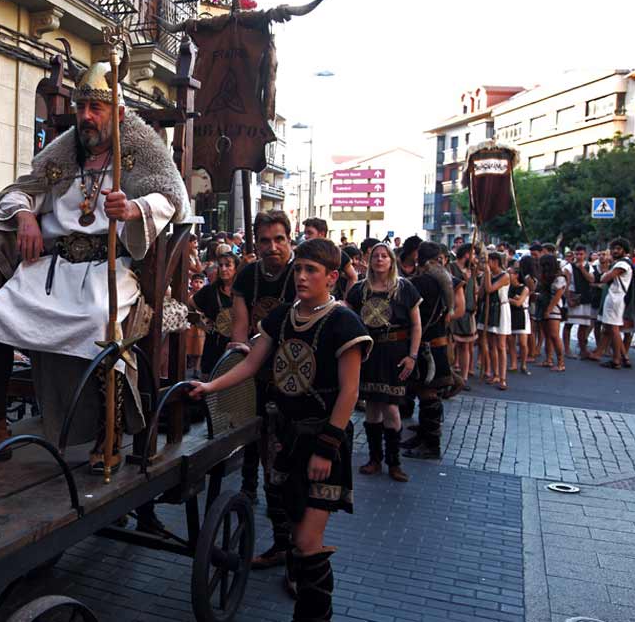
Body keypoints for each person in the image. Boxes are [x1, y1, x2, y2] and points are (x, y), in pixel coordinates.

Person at [0, 58, 190, 474]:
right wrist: (24, 215)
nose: (87, 118)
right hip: (53, 270)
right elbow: (20, 192)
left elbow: (171, 199)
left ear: (119, 113)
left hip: (107, 271)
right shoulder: (61, 153)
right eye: (81, 109)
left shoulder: (142, 153)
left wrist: (132, 208)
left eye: (96, 108)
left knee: (100, 322)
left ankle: (107, 437)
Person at [188, 238, 371, 620]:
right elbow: (252, 364)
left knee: (306, 540)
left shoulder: (344, 322)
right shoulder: (284, 316)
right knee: (294, 536)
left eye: (311, 271)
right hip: (286, 439)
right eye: (299, 269)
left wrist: (326, 447)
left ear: (332, 277)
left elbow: (350, 392)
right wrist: (210, 386)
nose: (301, 277)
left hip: (324, 443)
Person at [229, 210, 297, 567]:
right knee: (251, 437)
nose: (272, 247)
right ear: (256, 241)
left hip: (294, 380)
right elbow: (240, 327)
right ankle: (247, 487)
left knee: (283, 464)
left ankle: (288, 543)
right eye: (266, 240)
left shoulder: (302, 273)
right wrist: (241, 353)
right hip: (256, 370)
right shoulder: (248, 275)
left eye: (279, 239)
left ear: (290, 239)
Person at [346, 242, 420, 483]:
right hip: (369, 352)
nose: (379, 259)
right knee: (372, 406)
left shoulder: (404, 288)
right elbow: (345, 315)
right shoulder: (360, 289)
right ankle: (374, 458)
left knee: (391, 406)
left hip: (395, 353)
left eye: (384, 256)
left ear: (391, 260)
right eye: (376, 255)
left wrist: (412, 356)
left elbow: (416, 325)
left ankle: (394, 462)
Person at [403, 242, 454, 459]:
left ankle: (431, 444)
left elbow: (417, 315)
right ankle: (424, 435)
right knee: (424, 390)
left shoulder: (424, 282)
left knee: (428, 392)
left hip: (429, 345)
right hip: (434, 342)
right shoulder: (439, 280)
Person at [191, 252, 239, 376]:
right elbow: (190, 304)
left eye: (228, 265)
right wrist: (203, 322)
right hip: (214, 346)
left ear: (236, 268)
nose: (223, 269)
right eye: (221, 265)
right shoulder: (210, 290)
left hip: (237, 346)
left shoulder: (243, 290)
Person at [599, 238, 634, 369]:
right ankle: (624, 356)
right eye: (614, 248)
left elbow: (606, 278)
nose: (615, 251)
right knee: (612, 328)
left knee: (614, 329)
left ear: (624, 250)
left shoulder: (622, 264)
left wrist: (605, 272)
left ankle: (617, 359)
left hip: (616, 298)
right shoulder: (620, 263)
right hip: (615, 297)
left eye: (618, 249)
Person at [483, 252, 511, 389]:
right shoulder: (488, 275)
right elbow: (483, 291)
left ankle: (503, 377)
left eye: (489, 261)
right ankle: (495, 374)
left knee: (501, 345)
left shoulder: (505, 275)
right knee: (491, 344)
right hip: (490, 309)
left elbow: (490, 289)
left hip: (501, 310)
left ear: (495, 262)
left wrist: (487, 274)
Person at [567, 244, 599, 360]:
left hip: (585, 297)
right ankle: (566, 348)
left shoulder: (589, 267)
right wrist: (568, 298)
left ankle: (583, 349)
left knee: (584, 325)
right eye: (577, 254)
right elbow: (566, 283)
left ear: (585, 254)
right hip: (573, 297)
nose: (579, 256)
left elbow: (591, 279)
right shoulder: (569, 267)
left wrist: (581, 269)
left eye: (581, 254)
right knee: (569, 324)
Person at [451, 243, 477, 381]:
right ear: (467, 254)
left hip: (468, 311)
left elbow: (474, 290)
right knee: (452, 344)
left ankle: (464, 377)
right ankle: (450, 374)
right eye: (473, 254)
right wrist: (464, 280)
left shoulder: (472, 269)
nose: (474, 257)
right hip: (455, 311)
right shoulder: (451, 267)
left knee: (465, 346)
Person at [538, 253, 567, 373]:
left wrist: (549, 309)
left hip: (554, 308)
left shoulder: (559, 278)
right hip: (544, 306)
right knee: (547, 335)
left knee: (554, 335)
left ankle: (561, 362)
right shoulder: (545, 276)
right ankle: (548, 359)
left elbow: (558, 295)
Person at [507, 264, 532, 375]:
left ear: (516, 275)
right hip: (510, 313)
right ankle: (513, 364)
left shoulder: (524, 288)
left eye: (510, 273)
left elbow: (519, 303)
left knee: (522, 342)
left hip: (521, 314)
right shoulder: (508, 287)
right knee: (511, 341)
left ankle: (523, 363)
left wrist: (508, 300)